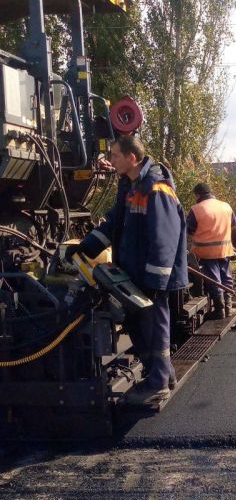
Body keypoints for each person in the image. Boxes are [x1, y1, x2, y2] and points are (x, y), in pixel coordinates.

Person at [65, 135, 188, 406]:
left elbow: (165, 236)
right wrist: (85, 247)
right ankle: (162, 376)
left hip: (152, 276)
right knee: (138, 324)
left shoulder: (156, 186)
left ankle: (158, 384)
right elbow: (113, 223)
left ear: (132, 157)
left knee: (154, 325)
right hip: (134, 274)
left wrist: (156, 280)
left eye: (115, 155)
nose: (111, 160)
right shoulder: (131, 185)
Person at [186, 183, 236, 319]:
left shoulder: (196, 209)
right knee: (225, 278)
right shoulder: (225, 206)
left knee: (214, 280)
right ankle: (228, 308)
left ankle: (220, 310)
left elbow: (189, 229)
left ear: (198, 195)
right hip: (225, 250)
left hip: (206, 252)